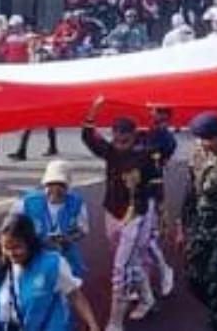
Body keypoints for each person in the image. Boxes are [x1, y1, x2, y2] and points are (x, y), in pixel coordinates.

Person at [81, 97, 157, 330]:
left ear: (134, 136)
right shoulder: (110, 151)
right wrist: (92, 112)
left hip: (134, 216)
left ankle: (115, 321)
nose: (119, 142)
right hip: (111, 212)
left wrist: (156, 215)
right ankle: (147, 298)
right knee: (129, 261)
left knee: (120, 269)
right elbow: (88, 137)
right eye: (116, 137)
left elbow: (156, 187)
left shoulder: (146, 156)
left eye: (125, 138)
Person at [0, 214, 101, 331]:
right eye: (6, 247)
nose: (11, 254)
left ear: (30, 243)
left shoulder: (52, 265)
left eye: (17, 247)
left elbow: (75, 296)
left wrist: (93, 326)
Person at [176, 112, 217, 331]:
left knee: (214, 280)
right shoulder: (198, 155)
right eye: (199, 138)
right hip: (200, 228)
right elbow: (190, 192)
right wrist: (181, 226)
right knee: (193, 280)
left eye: (208, 138)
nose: (203, 143)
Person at [9, 160, 89, 279]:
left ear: (68, 186)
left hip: (65, 256)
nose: (55, 189)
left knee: (71, 285)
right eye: (51, 184)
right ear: (44, 184)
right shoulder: (27, 202)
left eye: (60, 185)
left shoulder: (76, 203)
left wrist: (68, 239)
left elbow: (83, 230)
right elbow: (10, 228)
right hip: (34, 254)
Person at [137, 105, 177, 299]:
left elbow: (158, 171)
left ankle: (164, 270)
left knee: (147, 241)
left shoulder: (167, 139)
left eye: (158, 110)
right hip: (129, 192)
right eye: (152, 109)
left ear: (166, 116)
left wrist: (161, 202)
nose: (153, 113)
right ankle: (137, 282)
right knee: (128, 241)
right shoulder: (138, 132)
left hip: (149, 191)